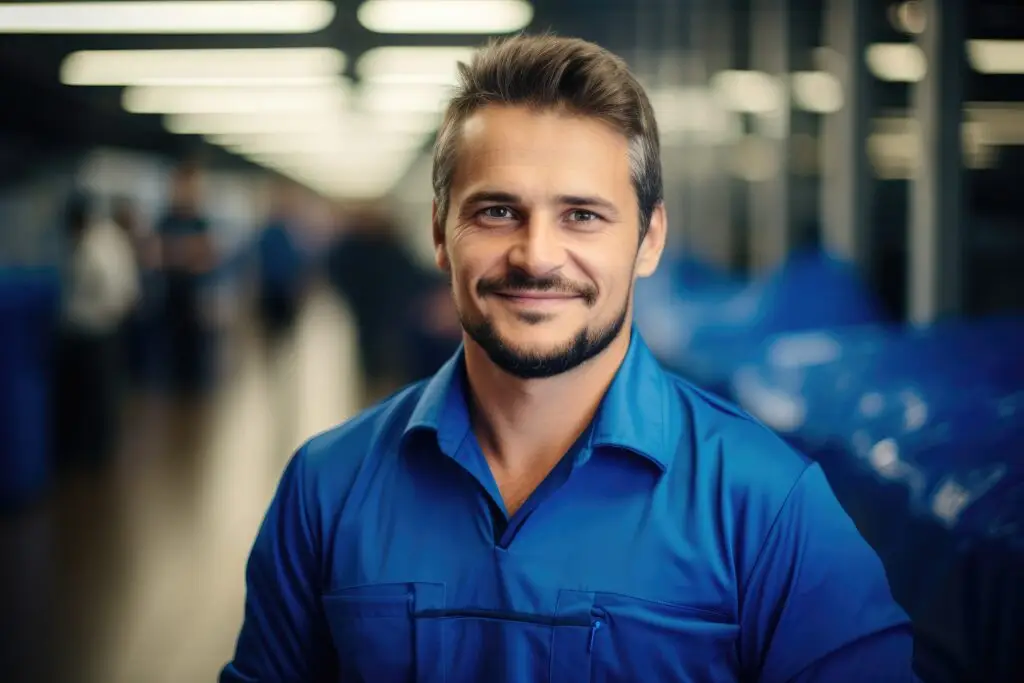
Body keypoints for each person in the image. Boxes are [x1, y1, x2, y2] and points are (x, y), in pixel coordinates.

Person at [221, 35, 918, 682]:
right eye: (497, 211)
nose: (537, 255)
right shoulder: (325, 489)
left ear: (649, 240)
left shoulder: (766, 507)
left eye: (582, 215)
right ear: (440, 233)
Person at [56, 191, 140, 464]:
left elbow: (107, 285)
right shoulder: (110, 235)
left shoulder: (92, 244)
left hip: (94, 330)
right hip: (110, 328)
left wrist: (105, 309)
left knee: (93, 396)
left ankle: (92, 452)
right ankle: (100, 449)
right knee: (104, 393)